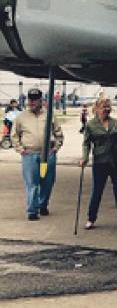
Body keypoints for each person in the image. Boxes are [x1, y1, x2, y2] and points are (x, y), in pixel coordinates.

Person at [79, 97, 117, 229]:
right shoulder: (91, 125)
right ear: (97, 109)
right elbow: (86, 143)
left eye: (108, 107)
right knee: (97, 191)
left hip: (116, 160)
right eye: (104, 107)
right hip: (100, 161)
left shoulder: (116, 122)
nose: (107, 109)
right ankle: (91, 219)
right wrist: (84, 158)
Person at [13, 88, 64, 220]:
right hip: (30, 154)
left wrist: (56, 147)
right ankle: (32, 210)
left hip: (47, 154)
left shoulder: (49, 115)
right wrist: (20, 149)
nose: (32, 102)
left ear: (41, 100)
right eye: (30, 99)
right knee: (32, 183)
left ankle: (42, 205)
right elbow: (14, 135)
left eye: (35, 99)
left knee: (47, 182)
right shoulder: (21, 117)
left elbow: (58, 133)